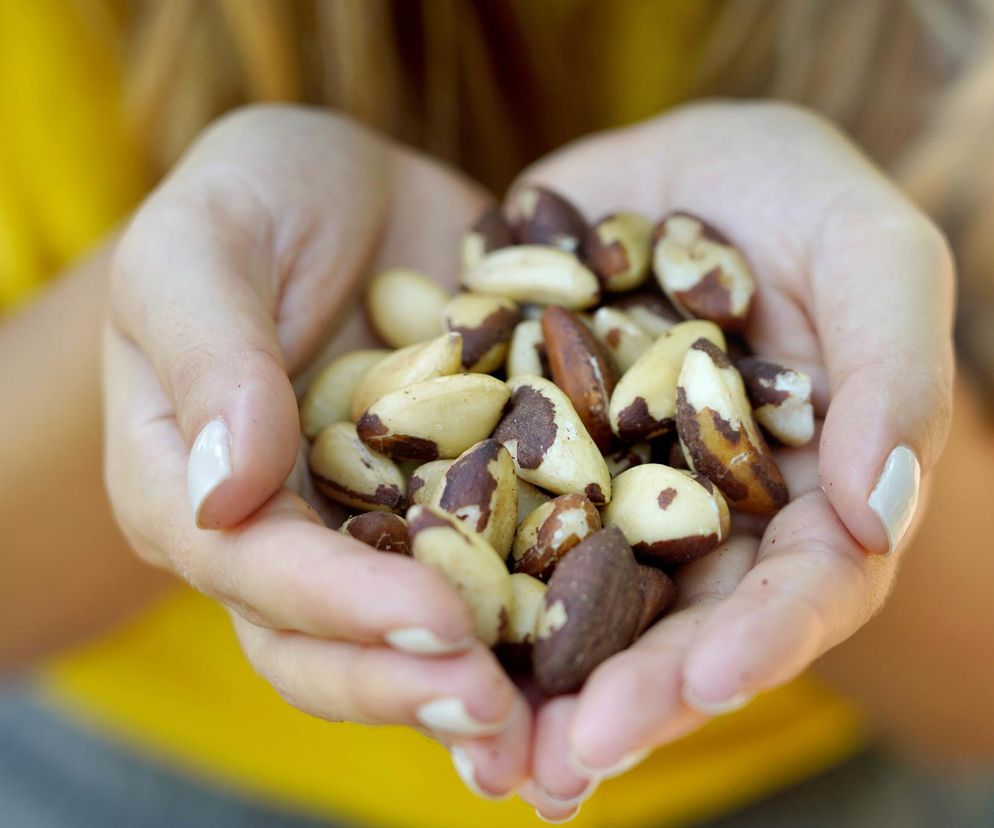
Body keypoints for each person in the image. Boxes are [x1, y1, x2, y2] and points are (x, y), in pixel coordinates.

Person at [2, 2, 993, 826]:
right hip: (126, 774)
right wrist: (185, 310)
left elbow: (974, 694)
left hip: (791, 786)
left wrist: (877, 402)